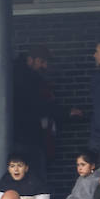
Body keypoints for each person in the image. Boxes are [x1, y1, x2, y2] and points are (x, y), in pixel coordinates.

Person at [13, 46, 59, 178]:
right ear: (30, 60)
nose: (44, 66)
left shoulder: (21, 75)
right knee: (35, 173)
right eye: (42, 61)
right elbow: (39, 105)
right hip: (27, 134)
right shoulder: (29, 80)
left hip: (26, 134)